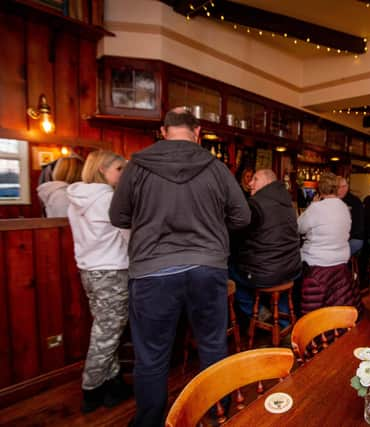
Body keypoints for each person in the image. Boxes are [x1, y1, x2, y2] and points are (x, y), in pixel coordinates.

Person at [109, 108, 250, 427]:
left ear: (163, 131)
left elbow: (118, 216)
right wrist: (211, 228)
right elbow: (243, 216)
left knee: (153, 356)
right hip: (207, 268)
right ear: (197, 132)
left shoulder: (138, 165)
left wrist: (149, 220)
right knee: (213, 345)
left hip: (153, 271)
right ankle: (216, 413)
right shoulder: (216, 167)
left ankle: (149, 422)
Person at [67, 150, 130, 413]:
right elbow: (129, 238)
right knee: (107, 334)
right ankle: (91, 389)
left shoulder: (76, 198)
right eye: (119, 168)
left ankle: (113, 384)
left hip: (89, 271)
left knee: (104, 330)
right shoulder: (110, 199)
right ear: (102, 169)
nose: (123, 173)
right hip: (112, 271)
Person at [230, 169, 301, 323]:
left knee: (228, 271)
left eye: (255, 179)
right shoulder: (287, 202)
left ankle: (258, 312)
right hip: (291, 269)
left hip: (269, 274)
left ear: (268, 182)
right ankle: (284, 324)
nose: (250, 183)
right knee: (278, 280)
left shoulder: (255, 204)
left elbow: (237, 236)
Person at [298, 173, 361, 315]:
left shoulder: (316, 208)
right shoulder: (344, 207)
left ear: (320, 190)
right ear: (336, 188)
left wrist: (312, 204)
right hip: (340, 264)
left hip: (317, 265)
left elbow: (299, 227)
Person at [337, 177, 364, 256]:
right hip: (339, 239)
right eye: (339, 187)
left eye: (344, 186)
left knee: (335, 255)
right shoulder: (334, 200)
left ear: (348, 187)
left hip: (354, 239)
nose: (342, 189)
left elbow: (358, 226)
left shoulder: (355, 201)